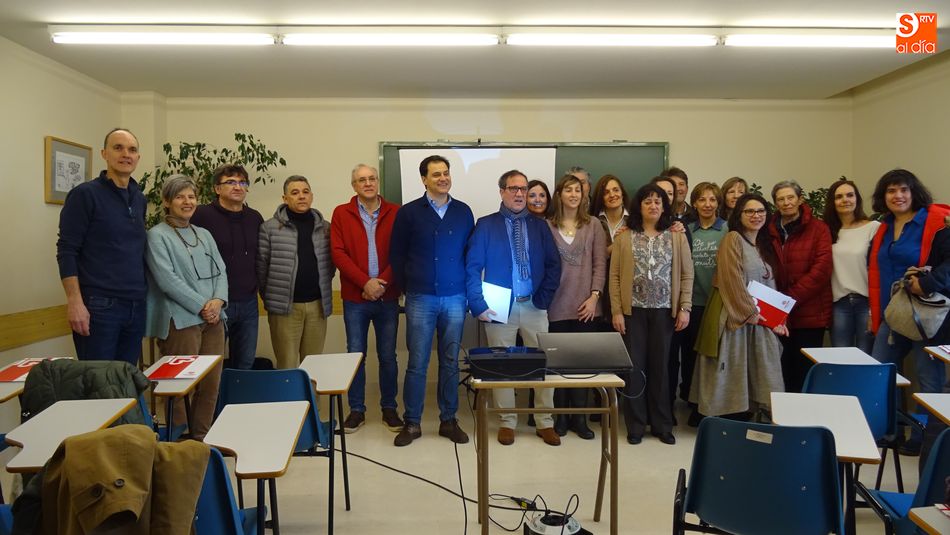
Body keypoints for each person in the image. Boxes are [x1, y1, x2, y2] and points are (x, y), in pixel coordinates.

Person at [466, 170, 562, 446]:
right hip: (498, 308)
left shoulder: (540, 226)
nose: (520, 194)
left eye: (523, 188)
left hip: (534, 305)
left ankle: (545, 421)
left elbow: (554, 265)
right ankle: (507, 421)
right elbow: (472, 268)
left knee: (544, 364)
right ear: (502, 192)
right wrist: (478, 304)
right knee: (501, 366)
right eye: (513, 189)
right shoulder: (485, 225)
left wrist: (543, 297)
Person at [389, 155, 474, 447]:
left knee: (450, 361)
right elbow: (397, 255)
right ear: (424, 179)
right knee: (418, 362)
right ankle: (412, 422)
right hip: (420, 298)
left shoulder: (463, 212)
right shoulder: (409, 213)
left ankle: (448, 419)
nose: (443, 178)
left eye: (446, 173)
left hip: (454, 298)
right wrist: (407, 286)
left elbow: (469, 255)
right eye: (436, 174)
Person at [868, 169, 950, 454]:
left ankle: (924, 438)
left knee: (928, 378)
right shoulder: (883, 227)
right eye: (891, 191)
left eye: (903, 189)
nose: (898, 196)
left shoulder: (937, 222)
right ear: (884, 196)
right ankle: (887, 431)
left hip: (927, 313)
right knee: (880, 370)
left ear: (914, 192)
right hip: (894, 311)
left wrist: (926, 283)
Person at [690, 193, 787, 420]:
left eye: (761, 211)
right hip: (736, 319)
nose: (756, 216)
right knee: (732, 375)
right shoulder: (733, 238)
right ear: (739, 214)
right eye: (749, 211)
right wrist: (751, 314)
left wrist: (779, 319)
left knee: (763, 373)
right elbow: (731, 281)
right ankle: (729, 423)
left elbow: (770, 285)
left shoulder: (764, 245)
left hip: (761, 322)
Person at [145, 175, 227, 441]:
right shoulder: (156, 236)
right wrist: (202, 305)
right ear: (167, 202)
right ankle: (180, 439)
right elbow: (167, 280)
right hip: (180, 320)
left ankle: (202, 438)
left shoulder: (204, 234)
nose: (187, 201)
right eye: (180, 196)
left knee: (210, 383)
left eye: (191, 196)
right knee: (180, 386)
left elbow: (221, 272)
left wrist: (218, 301)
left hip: (214, 319)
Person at [610, 184, 693, 445]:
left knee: (661, 369)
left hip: (664, 312)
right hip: (632, 312)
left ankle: (662, 424)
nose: (654, 206)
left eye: (658, 202)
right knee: (634, 369)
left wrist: (684, 307)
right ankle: (635, 425)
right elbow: (614, 276)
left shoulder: (676, 235)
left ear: (664, 207)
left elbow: (686, 274)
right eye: (648, 201)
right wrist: (616, 311)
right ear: (640, 206)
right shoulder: (624, 236)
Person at [56, 128, 147, 365]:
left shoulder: (139, 199)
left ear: (138, 157)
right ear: (104, 153)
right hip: (99, 305)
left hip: (136, 305)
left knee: (125, 384)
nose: (126, 154)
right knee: (97, 388)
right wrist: (75, 302)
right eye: (118, 148)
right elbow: (67, 250)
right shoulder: (85, 194)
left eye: (132, 149)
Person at [330, 164, 404, 433]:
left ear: (378, 182)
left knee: (388, 356)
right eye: (362, 180)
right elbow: (338, 253)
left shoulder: (396, 212)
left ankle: (389, 408)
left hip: (387, 296)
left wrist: (381, 283)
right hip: (355, 298)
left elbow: (401, 251)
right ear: (354, 186)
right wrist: (365, 283)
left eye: (372, 178)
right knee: (355, 355)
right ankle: (356, 410)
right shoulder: (341, 213)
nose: (368, 183)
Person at [546, 174, 607, 439]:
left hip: (586, 306)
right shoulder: (546, 226)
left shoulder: (593, 225)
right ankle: (560, 418)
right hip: (555, 306)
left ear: (584, 196)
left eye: (578, 191)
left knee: (581, 366)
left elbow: (599, 265)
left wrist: (594, 297)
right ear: (559, 194)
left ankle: (580, 420)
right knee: (558, 365)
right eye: (568, 190)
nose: (573, 194)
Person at [190, 164, 264, 370]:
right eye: (230, 182)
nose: (237, 187)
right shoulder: (201, 216)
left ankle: (238, 402)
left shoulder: (254, 218)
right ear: (216, 188)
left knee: (245, 363)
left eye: (242, 182)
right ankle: (215, 403)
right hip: (215, 304)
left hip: (248, 303)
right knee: (211, 366)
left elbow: (260, 258)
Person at [258, 175, 334, 369]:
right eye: (295, 192)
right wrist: (272, 298)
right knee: (287, 366)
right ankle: (289, 400)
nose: (301, 196)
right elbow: (261, 268)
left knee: (314, 366)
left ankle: (312, 401)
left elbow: (330, 265)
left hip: (317, 307)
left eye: (305, 192)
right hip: (284, 309)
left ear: (312, 196)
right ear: (285, 198)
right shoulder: (269, 228)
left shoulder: (325, 228)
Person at [767, 180, 832, 394]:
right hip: (778, 314)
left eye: (790, 198)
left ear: (800, 199)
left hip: (809, 312)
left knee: (805, 371)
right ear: (775, 203)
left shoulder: (819, 228)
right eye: (781, 199)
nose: (786, 203)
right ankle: (783, 421)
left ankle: (805, 421)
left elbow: (820, 271)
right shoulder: (768, 230)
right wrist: (779, 304)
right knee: (781, 368)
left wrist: (787, 300)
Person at [680, 182, 729, 427]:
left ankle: (713, 404)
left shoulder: (728, 231)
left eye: (712, 200)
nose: (707, 204)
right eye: (702, 200)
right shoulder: (687, 230)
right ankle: (693, 402)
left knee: (714, 356)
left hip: (718, 304)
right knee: (691, 355)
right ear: (695, 203)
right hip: (693, 303)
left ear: (718, 203)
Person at [822, 179, 880, 354]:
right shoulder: (826, 231)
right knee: (841, 357)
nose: (845, 200)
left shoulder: (873, 227)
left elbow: (879, 268)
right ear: (832, 202)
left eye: (850, 195)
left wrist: (874, 310)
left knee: (866, 356)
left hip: (866, 302)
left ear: (857, 199)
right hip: (839, 303)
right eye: (839, 197)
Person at [590, 174, 629, 243]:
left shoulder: (635, 220)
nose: (612, 195)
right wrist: (617, 243)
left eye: (616, 190)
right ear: (601, 198)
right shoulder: (592, 222)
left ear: (622, 194)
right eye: (606, 192)